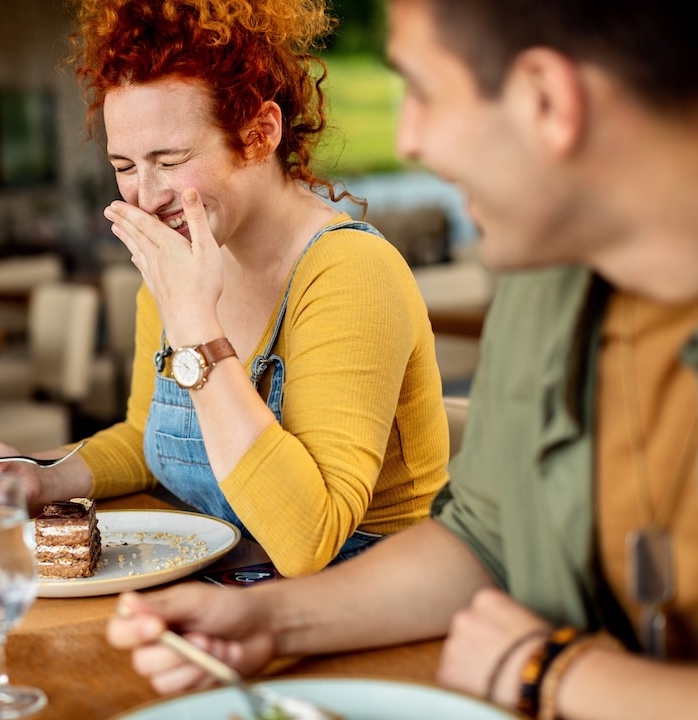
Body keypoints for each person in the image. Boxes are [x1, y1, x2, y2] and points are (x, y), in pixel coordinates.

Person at [106, 0, 698, 717]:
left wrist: (558, 674)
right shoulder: (546, 282)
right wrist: (273, 621)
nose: (409, 140)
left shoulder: (353, 266)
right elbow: (484, 539)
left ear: (546, 99)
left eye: (422, 92)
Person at [0, 0, 450, 578]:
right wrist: (42, 475)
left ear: (259, 133)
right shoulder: (181, 261)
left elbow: (307, 540)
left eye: (170, 161)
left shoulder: (349, 271)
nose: (145, 198)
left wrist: (197, 327)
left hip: (362, 609)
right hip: (225, 598)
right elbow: (147, 438)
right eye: (124, 165)